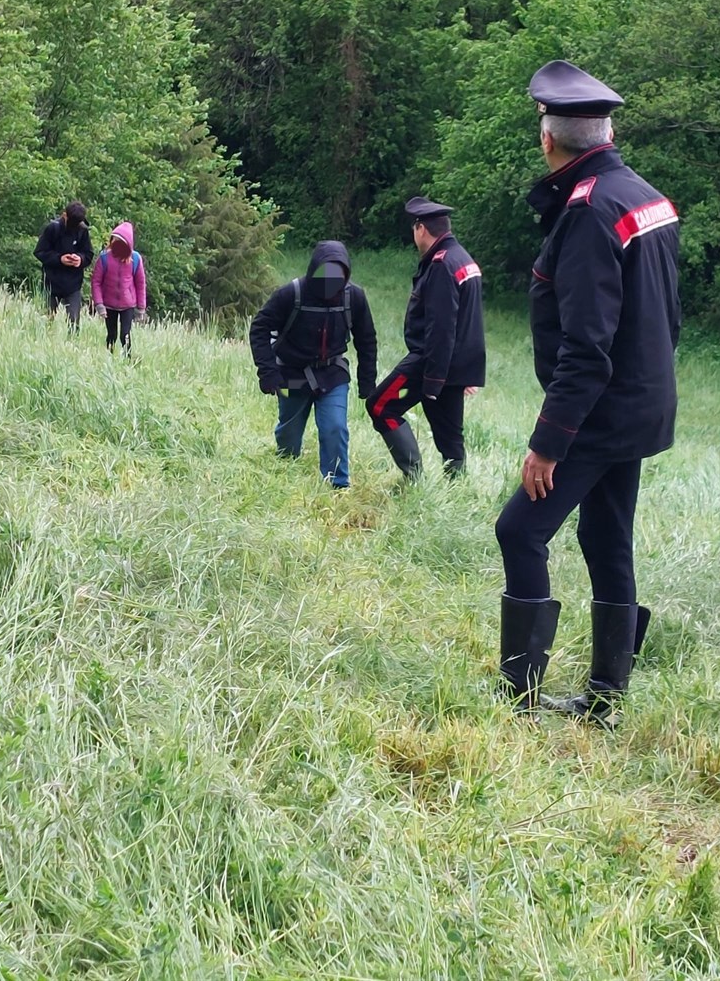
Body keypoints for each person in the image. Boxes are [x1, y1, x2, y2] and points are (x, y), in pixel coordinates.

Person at [493, 60, 681, 726]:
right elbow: (667, 313)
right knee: (608, 541)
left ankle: (518, 694)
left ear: (549, 138)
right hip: (641, 403)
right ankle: (605, 698)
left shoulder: (589, 212)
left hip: (600, 411)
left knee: (519, 529)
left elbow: (586, 347)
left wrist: (549, 443)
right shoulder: (644, 196)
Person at [366, 197, 485, 480]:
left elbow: (441, 328)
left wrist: (433, 381)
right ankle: (455, 495)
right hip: (455, 365)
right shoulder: (463, 259)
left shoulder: (442, 265)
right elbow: (471, 322)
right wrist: (465, 371)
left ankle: (414, 478)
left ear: (421, 228)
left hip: (431, 362)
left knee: (380, 405)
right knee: (450, 438)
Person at [249, 240, 377, 490]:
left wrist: (367, 382)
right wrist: (268, 373)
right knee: (289, 433)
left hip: (333, 374)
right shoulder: (290, 294)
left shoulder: (355, 297)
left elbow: (367, 339)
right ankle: (285, 467)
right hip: (291, 374)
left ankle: (337, 485)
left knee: (335, 427)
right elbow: (259, 328)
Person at [33, 201, 94, 331]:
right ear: (64, 215)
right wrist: (59, 259)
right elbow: (39, 252)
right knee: (44, 321)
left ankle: (72, 346)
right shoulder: (52, 229)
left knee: (73, 323)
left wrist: (80, 260)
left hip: (73, 285)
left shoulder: (83, 231)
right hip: (51, 284)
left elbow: (88, 254)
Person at [91, 222, 147, 357]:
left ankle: (127, 360)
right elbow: (96, 282)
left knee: (125, 335)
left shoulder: (135, 259)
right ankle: (108, 360)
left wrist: (141, 308)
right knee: (111, 335)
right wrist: (99, 304)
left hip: (128, 305)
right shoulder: (104, 258)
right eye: (114, 240)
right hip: (109, 305)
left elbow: (140, 284)